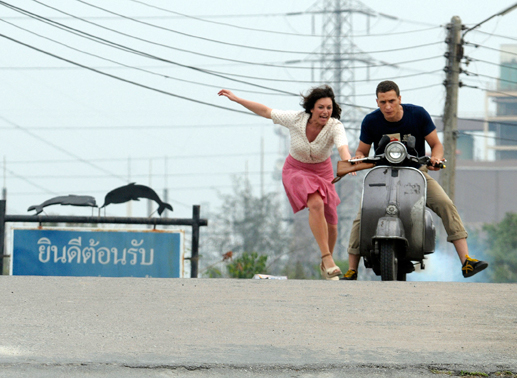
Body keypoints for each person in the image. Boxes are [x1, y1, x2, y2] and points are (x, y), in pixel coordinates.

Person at [342, 80, 488, 280]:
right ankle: (352, 270)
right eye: (383, 102)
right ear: (377, 102)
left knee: (445, 204)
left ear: (400, 99)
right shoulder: (371, 121)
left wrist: (435, 157)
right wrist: (358, 156)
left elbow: (436, 144)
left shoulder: (417, 114)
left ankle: (466, 261)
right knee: (363, 214)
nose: (388, 106)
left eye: (392, 100)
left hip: (416, 175)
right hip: (382, 176)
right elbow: (362, 150)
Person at [218, 86, 353, 280]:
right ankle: (327, 258)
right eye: (321, 107)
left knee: (332, 223)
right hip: (296, 170)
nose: (325, 112)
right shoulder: (296, 119)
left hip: (323, 171)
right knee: (315, 203)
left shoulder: (334, 126)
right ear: (312, 108)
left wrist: (347, 161)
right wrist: (237, 99)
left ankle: (326, 263)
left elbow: (343, 146)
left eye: (329, 108)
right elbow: (265, 111)